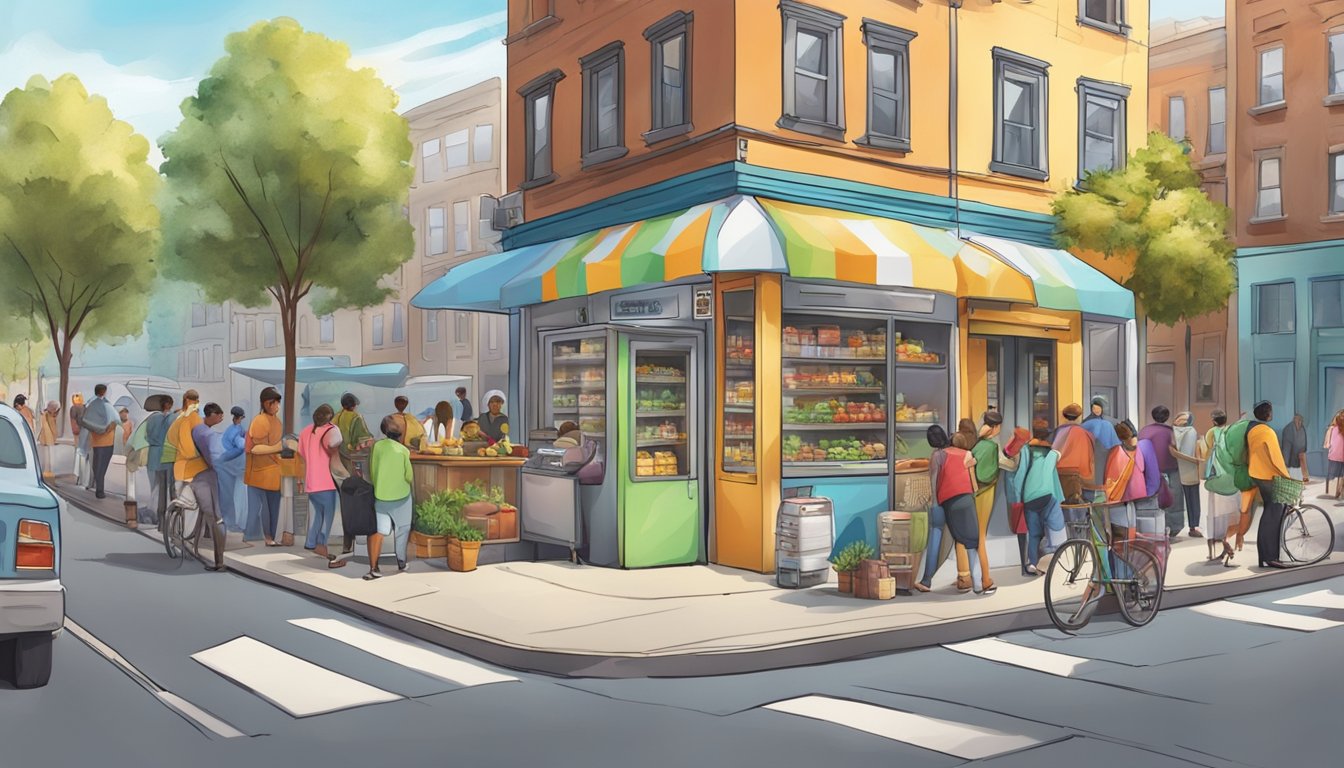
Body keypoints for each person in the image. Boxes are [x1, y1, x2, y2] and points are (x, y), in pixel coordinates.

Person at [925, 425, 989, 595]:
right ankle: (977, 584)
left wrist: (934, 502)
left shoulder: (938, 455)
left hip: (947, 501)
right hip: (967, 498)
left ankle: (926, 580)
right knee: (972, 542)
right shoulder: (966, 454)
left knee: (940, 536)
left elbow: (934, 481)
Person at [955, 411, 1006, 595]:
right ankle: (985, 579)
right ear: (996, 427)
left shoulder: (977, 445)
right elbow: (987, 474)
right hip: (983, 495)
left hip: (968, 494)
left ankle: (963, 577)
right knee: (980, 538)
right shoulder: (991, 447)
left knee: (964, 535)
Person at [1014, 419, 1067, 576]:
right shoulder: (1052, 454)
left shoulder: (1026, 450)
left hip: (1030, 497)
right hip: (1048, 496)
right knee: (1052, 528)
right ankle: (1050, 560)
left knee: (1033, 532)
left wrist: (1017, 497)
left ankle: (1032, 563)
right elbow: (1054, 475)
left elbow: (1020, 475)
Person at [298, 404, 348, 567]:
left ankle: (311, 542)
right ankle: (321, 545)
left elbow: (302, 453)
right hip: (326, 480)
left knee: (317, 514)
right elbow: (336, 443)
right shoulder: (331, 430)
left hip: (311, 481)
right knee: (327, 516)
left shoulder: (306, 431)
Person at [366, 415, 414, 580]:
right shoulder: (404, 450)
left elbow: (373, 470)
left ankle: (374, 567)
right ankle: (401, 561)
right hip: (401, 496)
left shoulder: (377, 447)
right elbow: (409, 476)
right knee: (403, 529)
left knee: (380, 531)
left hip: (381, 495)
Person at [1248, 400, 1293, 569]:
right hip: (1269, 476)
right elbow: (1276, 459)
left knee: (1269, 513)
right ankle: (1270, 556)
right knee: (1274, 514)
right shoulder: (1268, 432)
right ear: (1268, 414)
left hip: (1257, 474)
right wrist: (1287, 476)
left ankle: (1264, 556)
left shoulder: (1253, 430)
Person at [246, 387, 290, 547]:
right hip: (260, 473)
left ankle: (270, 537)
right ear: (266, 403)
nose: (277, 405)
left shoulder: (277, 422)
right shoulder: (260, 421)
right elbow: (255, 449)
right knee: (262, 508)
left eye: (278, 402)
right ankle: (265, 537)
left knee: (273, 507)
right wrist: (279, 447)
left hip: (273, 471)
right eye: (274, 402)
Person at [188, 403, 228, 571]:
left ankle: (196, 547)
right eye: (220, 416)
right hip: (207, 476)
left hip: (193, 475)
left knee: (206, 514)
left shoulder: (196, 429)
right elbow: (214, 459)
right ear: (212, 414)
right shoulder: (209, 434)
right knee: (216, 517)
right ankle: (219, 562)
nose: (221, 419)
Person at [334, 393, 374, 555]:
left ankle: (346, 542)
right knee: (356, 502)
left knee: (344, 503)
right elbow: (364, 439)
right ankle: (357, 540)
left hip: (335, 464)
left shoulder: (336, 417)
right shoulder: (356, 418)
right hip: (351, 464)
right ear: (354, 405)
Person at [1198, 409, 1239, 566]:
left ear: (1214, 421)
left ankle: (1212, 553)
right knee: (1229, 514)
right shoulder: (1231, 431)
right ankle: (1227, 544)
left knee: (1213, 513)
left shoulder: (1211, 432)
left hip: (1216, 477)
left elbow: (1205, 451)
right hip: (1231, 477)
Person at [1138, 406, 1184, 538]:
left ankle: (1155, 528)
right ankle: (1173, 528)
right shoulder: (1172, 432)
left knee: (1154, 500)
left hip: (1151, 471)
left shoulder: (1144, 431)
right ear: (1167, 417)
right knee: (1173, 499)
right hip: (1172, 469)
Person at [1052, 403, 1096, 502]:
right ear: (1079, 417)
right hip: (1077, 479)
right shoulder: (1085, 434)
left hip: (1058, 477)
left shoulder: (1058, 432)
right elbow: (1088, 460)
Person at [82, 384, 119, 499]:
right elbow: (115, 420)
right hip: (108, 440)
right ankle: (100, 490)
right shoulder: (108, 404)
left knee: (97, 465)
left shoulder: (91, 405)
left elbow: (87, 422)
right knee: (102, 466)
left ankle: (99, 488)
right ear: (104, 392)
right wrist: (107, 429)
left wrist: (97, 429)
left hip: (97, 440)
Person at [1171, 411, 1204, 538]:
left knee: (1192, 499)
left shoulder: (1190, 431)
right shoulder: (1174, 431)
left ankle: (1193, 526)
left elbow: (1187, 452)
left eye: (1183, 418)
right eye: (1179, 417)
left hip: (1187, 469)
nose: (1179, 419)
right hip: (1180, 469)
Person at [215, 407, 248, 533]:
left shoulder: (235, 428)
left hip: (231, 467)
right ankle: (229, 524)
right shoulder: (234, 431)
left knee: (230, 496)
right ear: (241, 417)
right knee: (227, 496)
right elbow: (241, 445)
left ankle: (231, 523)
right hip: (226, 467)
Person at [145, 396, 175, 525]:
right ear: (170, 405)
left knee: (155, 485)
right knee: (167, 486)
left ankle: (155, 514)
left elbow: (146, 436)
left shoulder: (151, 418)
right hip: (165, 454)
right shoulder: (171, 419)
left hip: (153, 454)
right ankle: (164, 518)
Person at [170, 390, 205, 494]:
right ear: (188, 401)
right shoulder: (191, 417)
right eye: (194, 401)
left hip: (180, 460)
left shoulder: (179, 416)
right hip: (189, 460)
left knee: (180, 492)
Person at [1280, 413, 1310, 483]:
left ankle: (1305, 477)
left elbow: (1304, 438)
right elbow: (1286, 445)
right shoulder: (1288, 429)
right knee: (1288, 463)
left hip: (1300, 449)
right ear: (1294, 419)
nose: (1300, 422)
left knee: (1302, 460)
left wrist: (1304, 448)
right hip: (1291, 449)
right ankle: (1287, 478)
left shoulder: (1302, 428)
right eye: (1298, 420)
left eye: (1301, 420)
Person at [1323, 410, 1344, 502]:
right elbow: (1326, 442)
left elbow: (1326, 443)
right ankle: (1337, 493)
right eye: (1341, 416)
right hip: (1335, 454)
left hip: (1337, 454)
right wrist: (1328, 444)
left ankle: (1339, 493)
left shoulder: (1332, 428)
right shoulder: (1332, 428)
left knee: (1340, 475)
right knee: (1337, 475)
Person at [70, 393, 89, 488]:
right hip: (87, 432)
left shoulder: (74, 408)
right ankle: (83, 479)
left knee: (79, 454)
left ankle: (79, 478)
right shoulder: (85, 407)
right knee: (84, 456)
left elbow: (74, 424)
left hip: (80, 434)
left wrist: (76, 431)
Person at [37, 400, 59, 479]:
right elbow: (50, 429)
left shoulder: (47, 415)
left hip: (48, 439)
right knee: (48, 459)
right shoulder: (46, 415)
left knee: (48, 459)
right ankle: (47, 476)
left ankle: (47, 474)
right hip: (48, 439)